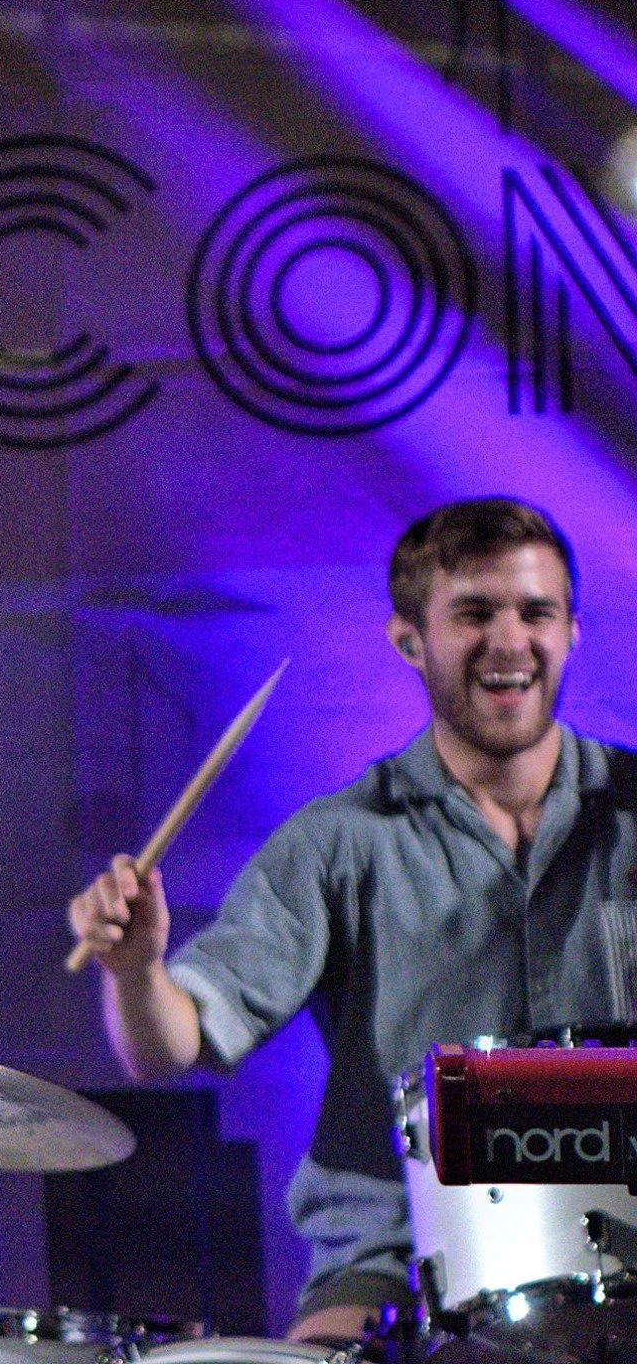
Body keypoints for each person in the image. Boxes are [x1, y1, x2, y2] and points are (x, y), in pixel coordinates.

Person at [66, 498, 637, 1345]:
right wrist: (137, 971)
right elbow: (166, 1046)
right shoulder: (336, 841)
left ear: (572, 633)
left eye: (535, 613)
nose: (510, 642)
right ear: (410, 640)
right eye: (475, 614)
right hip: (400, 1258)